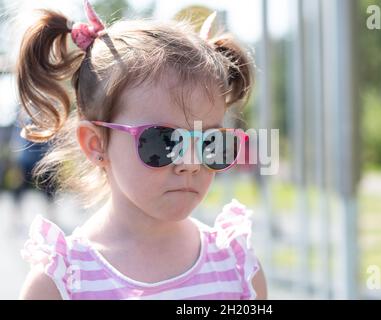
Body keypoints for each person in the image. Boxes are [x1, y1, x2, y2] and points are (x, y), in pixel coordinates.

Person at [17, 1, 267, 300]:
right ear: (96, 144)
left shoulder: (237, 269)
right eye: (163, 142)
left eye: (209, 142)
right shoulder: (62, 283)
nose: (190, 163)